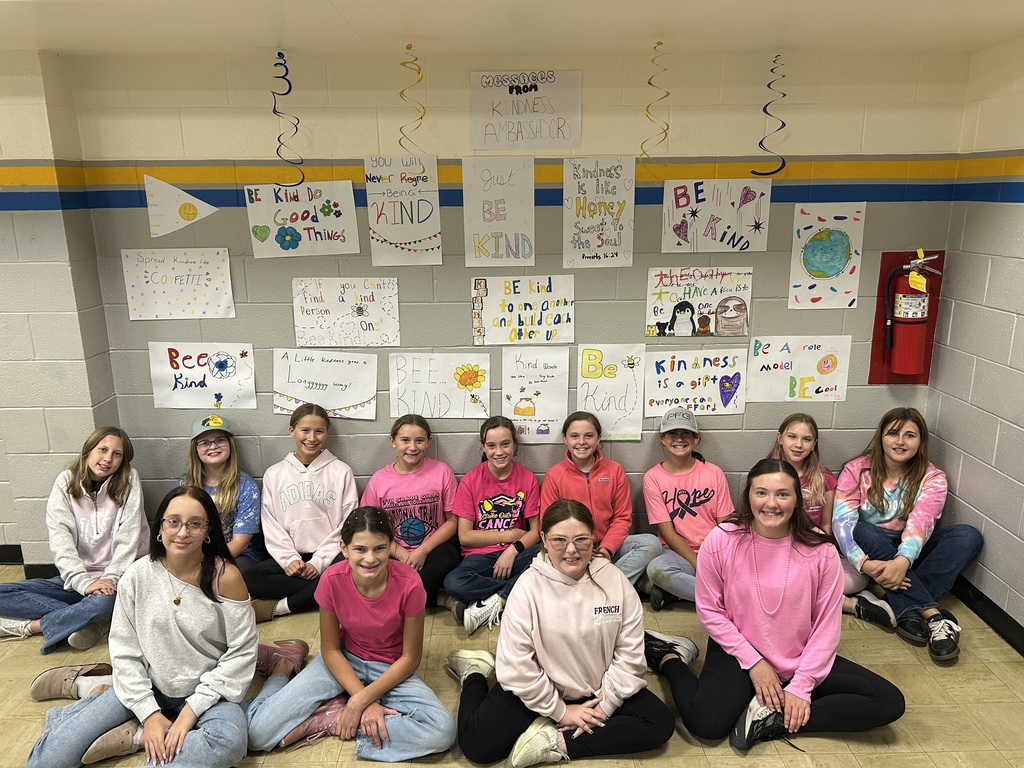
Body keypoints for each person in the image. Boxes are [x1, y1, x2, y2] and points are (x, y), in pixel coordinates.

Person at [647, 459, 905, 750]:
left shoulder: (820, 550)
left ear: (797, 500)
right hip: (737, 650)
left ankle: (770, 721)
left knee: (888, 701)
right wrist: (754, 662)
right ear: (748, 497)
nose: (771, 503)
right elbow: (709, 610)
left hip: (798, 654)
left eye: (782, 494)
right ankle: (670, 657)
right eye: (761, 493)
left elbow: (826, 625)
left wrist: (802, 686)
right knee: (707, 725)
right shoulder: (721, 540)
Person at [27, 485, 258, 767]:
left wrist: (190, 712)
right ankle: (128, 719)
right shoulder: (137, 576)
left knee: (229, 744)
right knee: (49, 760)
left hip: (209, 693)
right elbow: (124, 650)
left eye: (195, 524)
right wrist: (149, 713)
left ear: (208, 531)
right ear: (160, 527)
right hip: (149, 685)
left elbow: (242, 652)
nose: (183, 532)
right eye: (173, 522)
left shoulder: (226, 577)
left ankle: (137, 737)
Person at [448, 499, 675, 768]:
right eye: (559, 540)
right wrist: (560, 710)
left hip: (598, 690)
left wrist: (605, 705)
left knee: (659, 724)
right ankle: (474, 672)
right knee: (476, 746)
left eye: (581, 539)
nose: (571, 550)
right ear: (543, 539)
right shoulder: (528, 587)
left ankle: (554, 743)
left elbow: (630, 654)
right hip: (541, 688)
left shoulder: (614, 581)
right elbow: (517, 666)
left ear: (593, 537)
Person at [245, 506, 457, 762]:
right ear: (343, 548)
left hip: (391, 667)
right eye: (360, 549)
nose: (370, 559)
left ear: (391, 546)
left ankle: (336, 717)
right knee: (256, 734)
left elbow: (410, 658)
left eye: (379, 548)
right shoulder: (331, 580)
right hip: (343, 661)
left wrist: (359, 703)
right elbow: (331, 649)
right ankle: (282, 666)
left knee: (442, 732)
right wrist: (364, 700)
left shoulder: (410, 583)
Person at [833, 407, 984, 661]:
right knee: (862, 528)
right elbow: (842, 523)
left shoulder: (932, 477)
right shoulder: (857, 469)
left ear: (921, 441)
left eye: (910, 435)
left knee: (968, 536)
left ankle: (903, 607)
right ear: (881, 436)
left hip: (910, 551)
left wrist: (902, 563)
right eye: (893, 433)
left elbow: (920, 524)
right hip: (869, 549)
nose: (900, 441)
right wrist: (865, 564)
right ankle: (933, 616)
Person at [0, 426, 148, 653]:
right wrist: (83, 583)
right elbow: (60, 539)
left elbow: (128, 538)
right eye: (102, 449)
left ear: (123, 460)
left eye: (117, 454)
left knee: (105, 601)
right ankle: (91, 619)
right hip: (80, 578)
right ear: (88, 450)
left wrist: (110, 579)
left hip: (117, 580)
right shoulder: (65, 482)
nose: (107, 459)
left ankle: (35, 626)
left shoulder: (129, 481)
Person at [769, 413, 894, 628]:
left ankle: (830, 595)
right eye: (792, 437)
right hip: (778, 553)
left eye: (806, 439)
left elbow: (827, 526)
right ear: (780, 438)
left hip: (813, 551)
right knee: (771, 585)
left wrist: (818, 554)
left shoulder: (823, 478)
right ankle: (851, 605)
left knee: (858, 578)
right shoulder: (764, 475)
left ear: (814, 444)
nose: (798, 445)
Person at [243, 403, 358, 622]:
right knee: (251, 577)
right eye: (305, 430)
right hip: (290, 555)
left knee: (350, 572)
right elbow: (270, 523)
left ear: (327, 433)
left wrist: (319, 562)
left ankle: (283, 606)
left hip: (330, 555)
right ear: (292, 431)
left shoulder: (341, 471)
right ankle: (325, 593)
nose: (312, 438)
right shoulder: (274, 474)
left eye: (319, 431)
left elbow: (348, 523)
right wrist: (289, 560)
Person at [442, 416, 541, 635]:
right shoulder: (471, 480)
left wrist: (513, 550)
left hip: (517, 554)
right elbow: (465, 536)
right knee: (454, 582)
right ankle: (511, 594)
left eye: (505, 444)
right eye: (491, 445)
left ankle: (495, 599)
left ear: (515, 445)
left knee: (546, 558)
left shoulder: (527, 478)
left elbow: (536, 531)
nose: (499, 452)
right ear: (483, 447)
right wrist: (510, 535)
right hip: (480, 559)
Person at [540, 411, 661, 587]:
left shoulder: (615, 470)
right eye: (574, 436)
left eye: (588, 436)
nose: (581, 442)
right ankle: (620, 586)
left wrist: (605, 551)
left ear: (598, 439)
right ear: (565, 439)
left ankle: (599, 586)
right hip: (572, 548)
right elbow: (549, 523)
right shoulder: (554, 475)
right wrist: (573, 547)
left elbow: (622, 518)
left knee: (651, 543)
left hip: (608, 547)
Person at [360, 414, 459, 607]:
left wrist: (423, 550)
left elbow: (453, 521)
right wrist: (400, 553)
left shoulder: (441, 471)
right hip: (393, 552)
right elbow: (370, 528)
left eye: (419, 441)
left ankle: (392, 602)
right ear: (393, 441)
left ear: (428, 442)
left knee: (449, 556)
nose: (412, 447)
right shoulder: (380, 480)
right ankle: (436, 598)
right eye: (405, 440)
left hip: (432, 551)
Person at [643, 407, 733, 610]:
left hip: (714, 551)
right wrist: (699, 564)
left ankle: (678, 594)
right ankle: (725, 601)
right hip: (678, 554)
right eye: (672, 433)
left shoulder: (714, 472)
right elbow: (667, 531)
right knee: (657, 570)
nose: (679, 439)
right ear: (662, 438)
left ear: (696, 438)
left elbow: (725, 526)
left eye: (686, 433)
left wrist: (713, 559)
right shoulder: (653, 477)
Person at [177, 414, 264, 573]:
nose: (213, 446)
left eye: (220, 440)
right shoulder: (184, 485)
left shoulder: (246, 487)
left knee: (218, 574)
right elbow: (175, 528)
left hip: (239, 555)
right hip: (195, 552)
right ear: (195, 448)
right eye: (204, 442)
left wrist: (205, 564)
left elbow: (240, 543)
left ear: (230, 444)